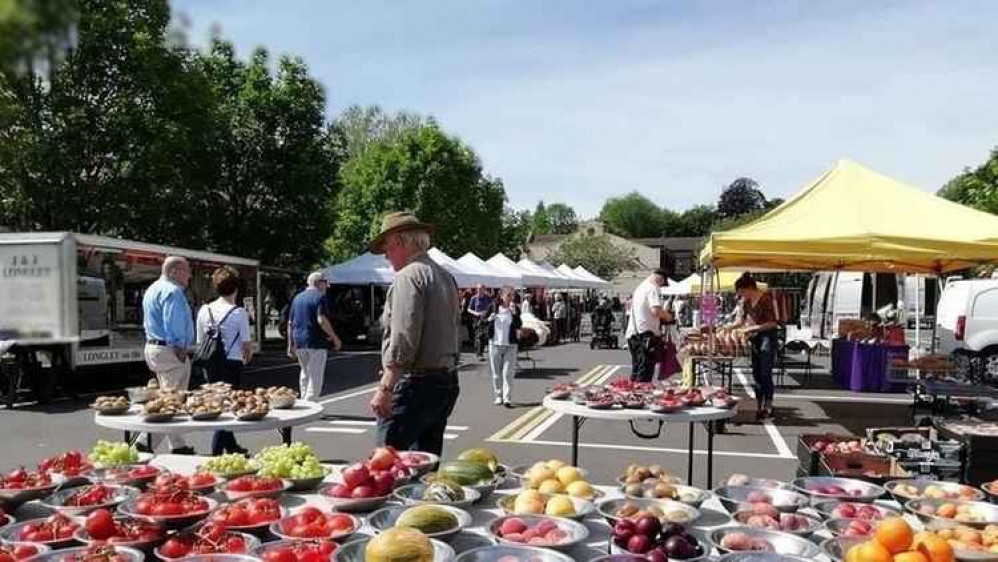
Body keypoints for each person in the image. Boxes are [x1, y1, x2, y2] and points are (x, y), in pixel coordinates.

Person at [369, 212, 460, 456]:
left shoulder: (408, 276)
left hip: (415, 384)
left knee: (387, 467)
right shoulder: (445, 276)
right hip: (444, 379)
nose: (386, 255)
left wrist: (386, 387)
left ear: (399, 240)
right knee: (425, 465)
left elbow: (403, 338)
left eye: (386, 247)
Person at [195, 266, 254, 456]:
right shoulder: (238, 313)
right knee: (227, 408)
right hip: (231, 363)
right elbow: (246, 344)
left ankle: (232, 446)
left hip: (210, 362)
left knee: (217, 403)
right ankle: (216, 452)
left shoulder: (204, 310)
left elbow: (199, 340)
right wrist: (247, 357)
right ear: (236, 289)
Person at [140, 256, 195, 454]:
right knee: (172, 401)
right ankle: (143, 444)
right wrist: (180, 346)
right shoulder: (173, 292)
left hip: (154, 347)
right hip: (170, 349)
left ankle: (179, 446)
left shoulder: (153, 289)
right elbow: (173, 322)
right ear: (175, 271)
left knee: (169, 396)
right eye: (187, 270)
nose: (189, 275)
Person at [730, 274, 779, 420]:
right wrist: (728, 327)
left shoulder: (766, 299)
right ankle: (759, 404)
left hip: (767, 338)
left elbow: (773, 323)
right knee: (756, 373)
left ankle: (768, 404)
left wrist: (752, 329)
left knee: (765, 372)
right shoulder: (746, 301)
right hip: (755, 338)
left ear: (750, 288)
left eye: (742, 292)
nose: (742, 296)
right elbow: (740, 320)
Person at [288, 272, 342, 402]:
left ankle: (303, 402)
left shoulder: (297, 298)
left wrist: (290, 345)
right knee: (315, 376)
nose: (326, 287)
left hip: (299, 341)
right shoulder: (320, 298)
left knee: (305, 373)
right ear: (319, 283)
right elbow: (321, 319)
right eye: (325, 283)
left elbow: (290, 323)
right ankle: (309, 405)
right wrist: (335, 338)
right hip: (316, 341)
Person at [625, 269, 673, 382]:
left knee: (637, 369)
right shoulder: (652, 288)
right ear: (660, 279)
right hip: (645, 336)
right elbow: (655, 310)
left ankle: (633, 395)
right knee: (645, 373)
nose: (661, 287)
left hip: (634, 334)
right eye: (662, 284)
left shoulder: (640, 287)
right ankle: (640, 395)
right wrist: (668, 316)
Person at [487, 287, 522, 407]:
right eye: (508, 296)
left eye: (512, 296)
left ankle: (507, 398)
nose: (510, 298)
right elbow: (483, 319)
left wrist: (514, 314)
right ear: (501, 296)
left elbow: (518, 325)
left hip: (510, 345)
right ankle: (498, 396)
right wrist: (489, 318)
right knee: (496, 373)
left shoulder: (515, 309)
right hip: (495, 344)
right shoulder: (493, 307)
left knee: (508, 373)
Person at [467, 284, 492, 360]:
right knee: (478, 335)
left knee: (484, 336)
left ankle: (480, 350)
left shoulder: (487, 298)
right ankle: (479, 353)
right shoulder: (474, 298)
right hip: (477, 319)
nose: (480, 290)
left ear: (484, 290)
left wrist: (488, 313)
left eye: (482, 289)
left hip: (485, 318)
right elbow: (469, 309)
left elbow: (491, 306)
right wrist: (476, 313)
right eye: (479, 289)